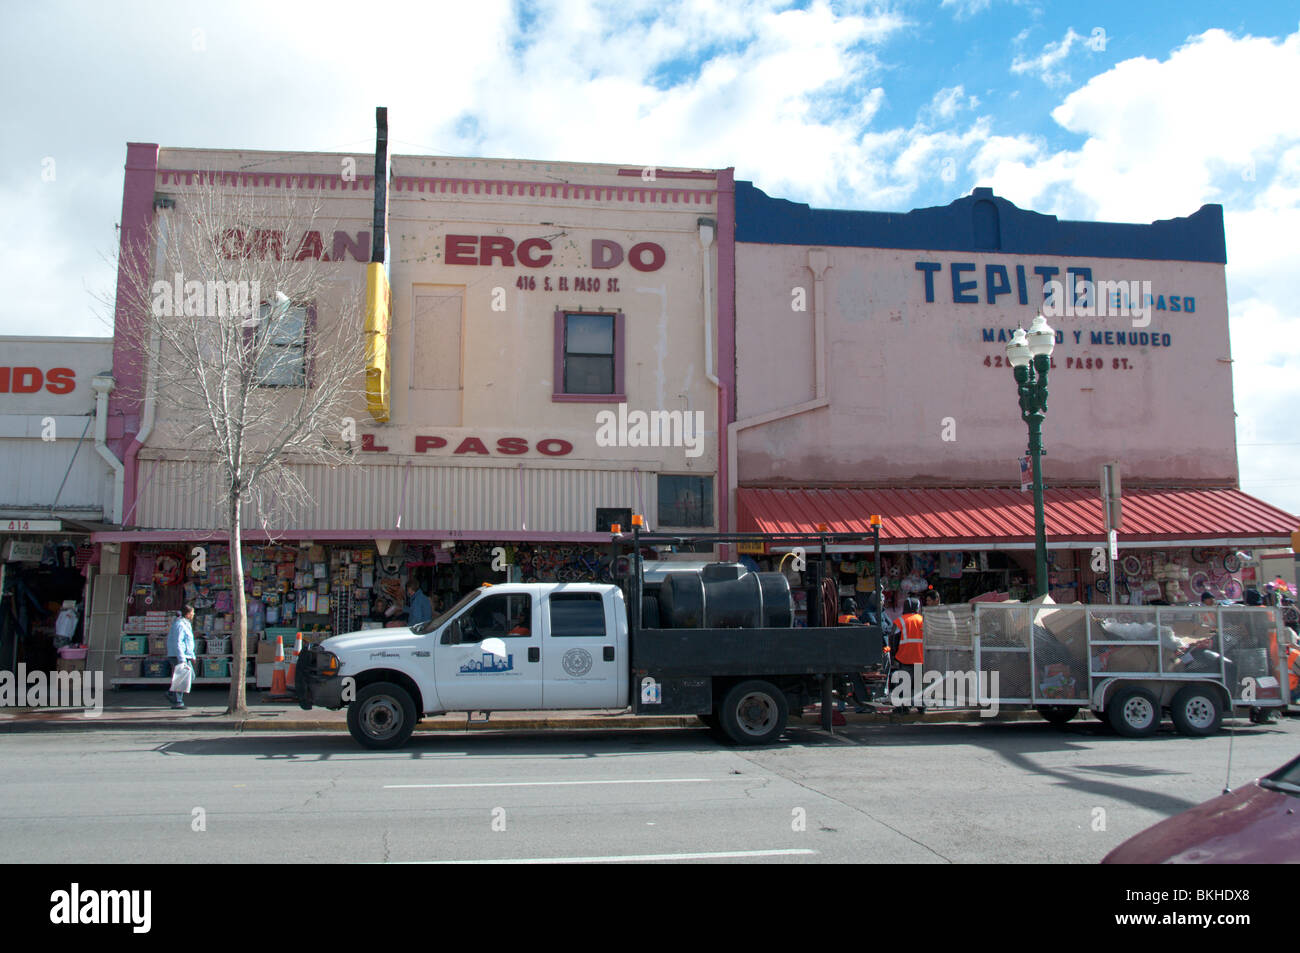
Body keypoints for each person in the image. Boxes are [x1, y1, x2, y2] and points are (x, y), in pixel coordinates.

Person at [892, 597, 925, 713]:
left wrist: (894, 656)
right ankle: (921, 706)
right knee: (918, 683)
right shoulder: (922, 620)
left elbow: (893, 639)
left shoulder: (899, 621)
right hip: (920, 657)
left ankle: (904, 707)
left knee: (904, 683)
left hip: (904, 657)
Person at [166, 604, 197, 709]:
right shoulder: (179, 625)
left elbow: (188, 642)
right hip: (178, 655)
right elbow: (178, 642)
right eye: (192, 612)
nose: (194, 614)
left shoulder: (186, 624)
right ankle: (177, 702)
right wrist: (182, 658)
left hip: (185, 655)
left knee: (190, 676)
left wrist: (192, 655)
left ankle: (171, 693)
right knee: (181, 677)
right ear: (188, 614)